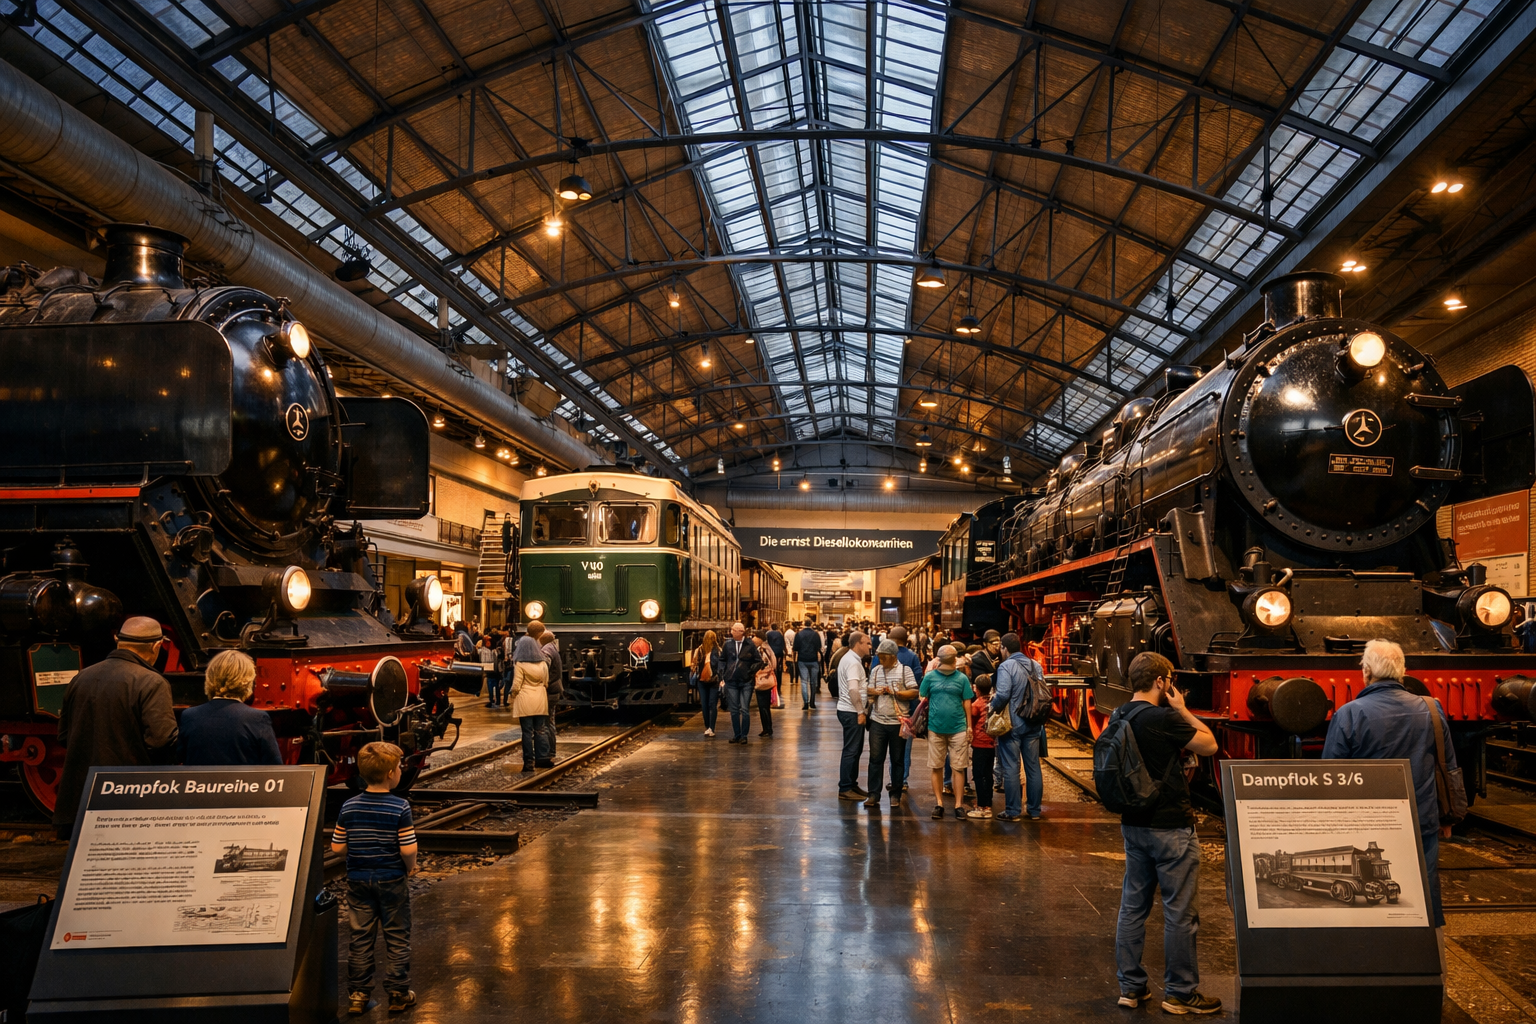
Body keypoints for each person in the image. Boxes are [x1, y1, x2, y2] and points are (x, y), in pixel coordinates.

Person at [1111, 652, 1221, 1015]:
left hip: (1134, 824)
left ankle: (1130, 987)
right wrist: (1183, 708)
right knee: (1179, 912)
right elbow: (1208, 744)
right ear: (1161, 681)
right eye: (1169, 680)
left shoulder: (1119, 714)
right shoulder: (1164, 717)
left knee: (1132, 907)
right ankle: (1180, 993)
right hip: (1171, 826)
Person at [1322, 638, 1457, 931]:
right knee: (1424, 893)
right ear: (1403, 671)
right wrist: (1448, 817)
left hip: (1368, 827)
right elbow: (1447, 767)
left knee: (1369, 900)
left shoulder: (1349, 713)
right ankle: (1430, 961)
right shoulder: (1432, 709)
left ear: (1366, 672)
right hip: (1421, 819)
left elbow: (1330, 776)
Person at [53, 617, 179, 837]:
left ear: (117, 640)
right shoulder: (152, 682)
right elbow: (161, 740)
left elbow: (64, 736)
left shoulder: (81, 677)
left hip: (81, 800)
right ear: (157, 646)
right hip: (128, 801)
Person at [332, 741, 418, 1016]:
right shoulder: (400, 807)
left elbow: (337, 847)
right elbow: (408, 848)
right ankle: (398, 993)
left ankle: (358, 995)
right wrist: (411, 866)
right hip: (391, 878)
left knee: (360, 936)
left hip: (358, 879)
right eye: (401, 767)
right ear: (392, 773)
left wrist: (355, 851)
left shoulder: (349, 805)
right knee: (397, 935)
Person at [177, 649, 282, 765]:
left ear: (210, 677)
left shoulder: (189, 716)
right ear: (247, 682)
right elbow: (274, 768)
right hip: (244, 783)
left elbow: (180, 760)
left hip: (200, 783)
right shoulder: (257, 718)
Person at [991, 632, 1047, 821]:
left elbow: (1003, 694)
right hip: (1034, 722)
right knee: (1033, 767)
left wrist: (992, 706)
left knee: (1011, 767)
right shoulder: (1035, 665)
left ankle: (1013, 811)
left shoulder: (1006, 666)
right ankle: (1034, 810)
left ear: (1004, 648)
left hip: (1013, 724)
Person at [920, 645, 974, 820]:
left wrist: (968, 726)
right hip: (936, 727)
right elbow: (922, 696)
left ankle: (956, 804)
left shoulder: (962, 678)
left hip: (956, 727)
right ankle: (941, 803)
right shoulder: (932, 677)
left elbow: (967, 702)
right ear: (954, 659)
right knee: (939, 766)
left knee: (956, 766)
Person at [865, 639, 918, 808]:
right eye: (879, 656)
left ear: (893, 656)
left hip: (898, 722)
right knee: (875, 759)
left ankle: (895, 793)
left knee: (897, 759)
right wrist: (875, 691)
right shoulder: (875, 671)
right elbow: (868, 690)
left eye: (883, 657)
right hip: (877, 721)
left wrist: (896, 692)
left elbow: (914, 692)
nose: (880, 659)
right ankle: (873, 794)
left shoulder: (905, 670)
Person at [836, 631, 872, 800]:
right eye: (867, 643)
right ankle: (845, 787)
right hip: (851, 711)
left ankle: (851, 783)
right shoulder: (853, 663)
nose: (870, 646)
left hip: (849, 710)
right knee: (851, 750)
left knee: (855, 749)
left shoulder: (851, 659)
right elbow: (853, 689)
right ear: (858, 643)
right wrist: (860, 711)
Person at [511, 629, 552, 771]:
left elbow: (517, 684)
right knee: (540, 729)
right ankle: (543, 758)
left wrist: (513, 693)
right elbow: (546, 682)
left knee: (527, 732)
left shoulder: (520, 664)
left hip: (525, 700)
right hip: (540, 699)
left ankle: (529, 762)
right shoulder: (543, 663)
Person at [721, 622, 764, 745]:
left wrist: (750, 672)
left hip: (746, 682)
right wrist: (722, 674)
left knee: (745, 709)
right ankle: (737, 734)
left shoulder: (749, 644)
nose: (732, 632)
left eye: (734, 630)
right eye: (732, 630)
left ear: (741, 632)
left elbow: (758, 661)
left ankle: (744, 735)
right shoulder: (728, 645)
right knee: (734, 710)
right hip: (731, 681)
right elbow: (722, 659)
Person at [966, 674, 996, 820]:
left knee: (978, 775)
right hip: (991, 743)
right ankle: (989, 803)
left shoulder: (976, 705)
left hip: (979, 743)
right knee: (988, 774)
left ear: (976, 689)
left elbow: (971, 721)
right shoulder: (993, 701)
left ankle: (982, 806)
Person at [536, 625, 563, 764]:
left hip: (548, 691)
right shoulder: (553, 648)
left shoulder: (546, 651)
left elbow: (543, 671)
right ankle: (551, 751)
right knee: (550, 723)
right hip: (555, 690)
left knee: (544, 724)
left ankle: (545, 753)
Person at [691, 630, 723, 737]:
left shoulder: (699, 650)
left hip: (702, 681)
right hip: (714, 681)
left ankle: (707, 727)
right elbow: (722, 666)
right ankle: (711, 728)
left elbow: (694, 665)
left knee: (704, 704)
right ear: (715, 639)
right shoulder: (718, 650)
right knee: (712, 705)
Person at [793, 622, 823, 710]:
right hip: (813, 659)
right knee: (813, 682)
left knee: (804, 682)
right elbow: (819, 646)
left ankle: (805, 703)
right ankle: (812, 702)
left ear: (803, 624)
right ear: (811, 624)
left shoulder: (798, 634)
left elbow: (795, 648)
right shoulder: (815, 634)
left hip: (802, 659)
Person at [753, 632, 777, 737]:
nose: (753, 639)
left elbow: (762, 664)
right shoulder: (768, 648)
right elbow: (774, 664)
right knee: (765, 706)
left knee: (763, 706)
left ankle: (767, 728)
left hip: (762, 680)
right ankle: (767, 728)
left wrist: (756, 672)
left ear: (760, 639)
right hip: (767, 680)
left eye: (755, 637)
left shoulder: (761, 650)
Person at [765, 622, 786, 687]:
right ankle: (779, 682)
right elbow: (783, 643)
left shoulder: (768, 633)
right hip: (779, 652)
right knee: (779, 667)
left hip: (771, 653)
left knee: (772, 667)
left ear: (771, 627)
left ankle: (772, 681)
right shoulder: (780, 634)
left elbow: (766, 643)